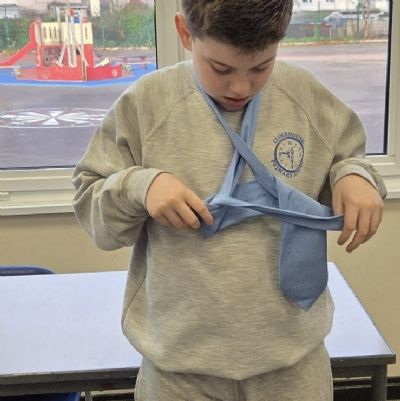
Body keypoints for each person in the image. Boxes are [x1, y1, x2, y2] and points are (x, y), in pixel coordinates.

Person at [72, 1, 386, 400]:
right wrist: (139, 186)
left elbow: (349, 158)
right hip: (179, 376)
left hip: (293, 370)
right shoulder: (146, 106)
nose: (240, 87)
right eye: (220, 68)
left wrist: (354, 177)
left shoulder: (306, 97)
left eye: (261, 67)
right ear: (185, 33)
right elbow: (92, 210)